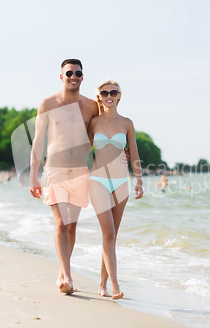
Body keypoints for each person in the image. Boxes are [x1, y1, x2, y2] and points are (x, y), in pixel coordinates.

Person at [29, 59, 100, 294]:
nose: (74, 76)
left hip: (80, 172)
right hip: (55, 170)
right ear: (62, 76)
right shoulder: (48, 103)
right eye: (69, 72)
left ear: (82, 77)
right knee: (61, 223)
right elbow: (38, 141)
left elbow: (101, 134)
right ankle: (68, 278)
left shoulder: (91, 106)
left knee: (72, 227)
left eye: (78, 73)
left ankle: (62, 271)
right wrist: (33, 176)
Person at [88, 79, 143, 300]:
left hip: (122, 183)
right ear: (99, 96)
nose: (109, 95)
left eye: (113, 92)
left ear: (119, 96)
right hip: (98, 181)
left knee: (111, 236)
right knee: (108, 233)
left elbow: (135, 153)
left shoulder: (127, 123)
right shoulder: (93, 123)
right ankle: (116, 286)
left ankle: (102, 284)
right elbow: (82, 148)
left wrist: (139, 180)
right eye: (104, 93)